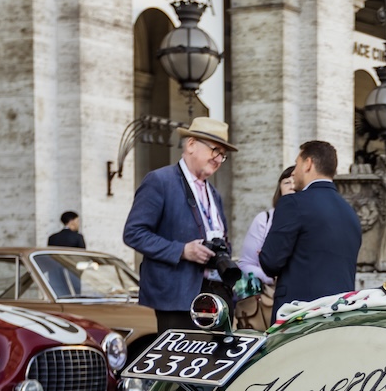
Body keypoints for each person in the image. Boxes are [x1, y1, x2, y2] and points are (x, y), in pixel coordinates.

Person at [123, 116, 237, 332]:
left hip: (215, 296)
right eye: (215, 150)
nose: (218, 159)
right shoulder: (160, 181)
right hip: (177, 299)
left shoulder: (214, 194)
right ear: (191, 144)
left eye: (223, 155)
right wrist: (182, 251)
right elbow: (133, 233)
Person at [259, 141, 362, 322]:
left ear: (308, 164)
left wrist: (264, 253)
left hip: (299, 315)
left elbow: (271, 261)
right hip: (340, 316)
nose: (293, 172)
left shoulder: (293, 203)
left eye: (297, 164)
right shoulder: (350, 213)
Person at [238, 166, 296, 286]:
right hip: (271, 295)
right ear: (279, 188)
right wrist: (271, 277)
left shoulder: (313, 218)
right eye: (287, 182)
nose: (292, 186)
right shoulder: (264, 220)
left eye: (295, 182)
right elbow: (245, 264)